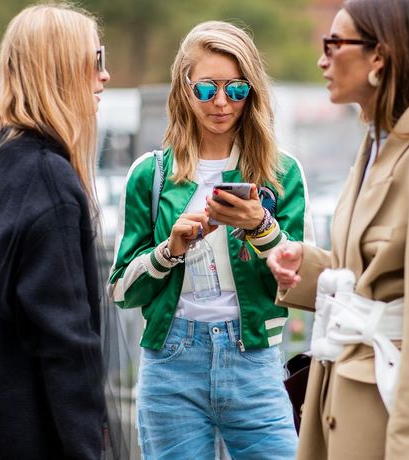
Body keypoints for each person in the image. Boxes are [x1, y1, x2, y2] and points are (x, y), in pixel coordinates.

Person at [108, 20, 315, 459]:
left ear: (251, 92)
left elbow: (303, 284)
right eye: (207, 89)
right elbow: (120, 290)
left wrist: (262, 228)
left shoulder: (281, 174)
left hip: (254, 361)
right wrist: (169, 250)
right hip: (171, 364)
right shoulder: (152, 174)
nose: (221, 103)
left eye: (236, 90)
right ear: (185, 88)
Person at [267, 0, 409, 459]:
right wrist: (304, 265)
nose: (322, 59)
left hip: (384, 415)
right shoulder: (375, 146)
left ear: (378, 57)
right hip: (336, 403)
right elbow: (361, 274)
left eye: (334, 44)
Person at [0, 4, 111, 459]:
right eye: (97, 60)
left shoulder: (6, 163)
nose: (106, 75)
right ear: (62, 68)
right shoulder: (48, 180)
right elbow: (68, 347)